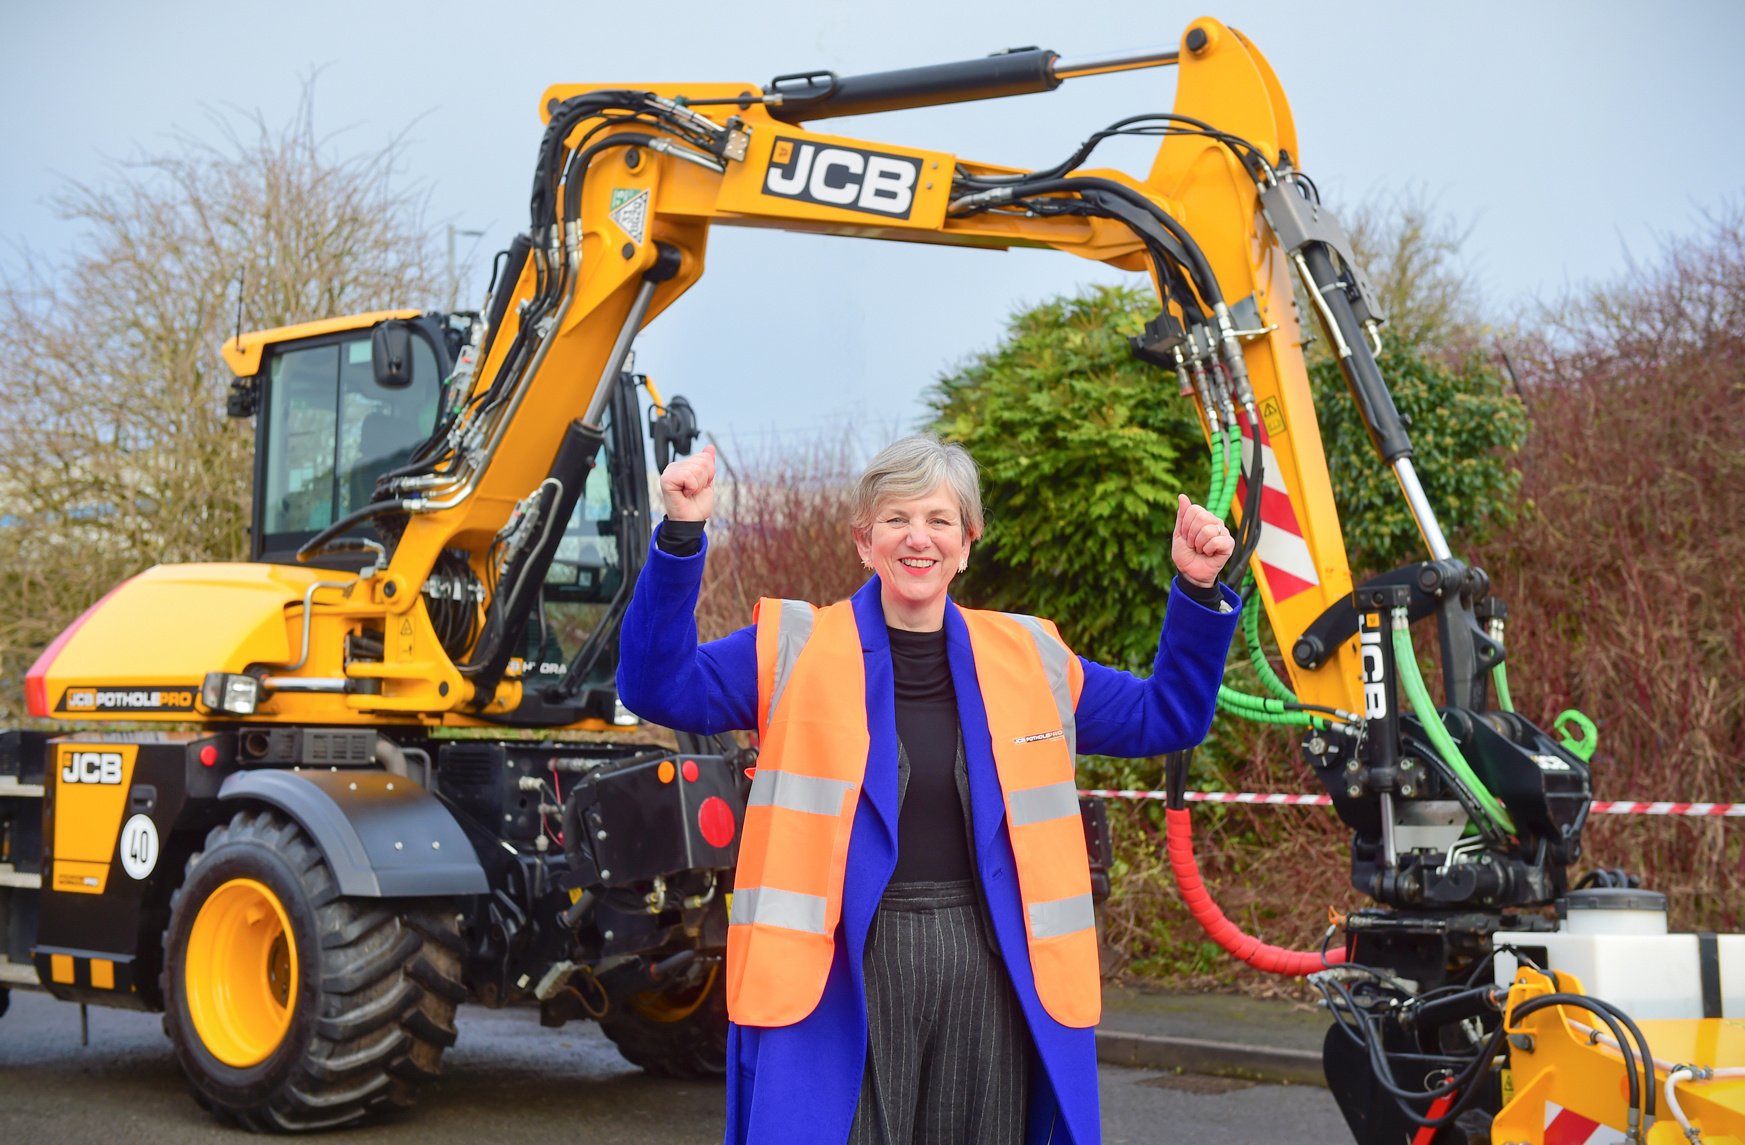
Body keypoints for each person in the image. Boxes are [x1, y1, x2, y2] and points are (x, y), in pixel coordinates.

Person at [617, 435, 1240, 1145]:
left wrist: (1195, 591)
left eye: (940, 520)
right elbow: (653, 684)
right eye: (896, 519)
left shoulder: (1030, 655)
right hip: (839, 973)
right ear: (864, 541)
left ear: (966, 543)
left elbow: (1168, 714)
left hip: (990, 968)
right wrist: (679, 538)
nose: (919, 538)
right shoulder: (790, 646)